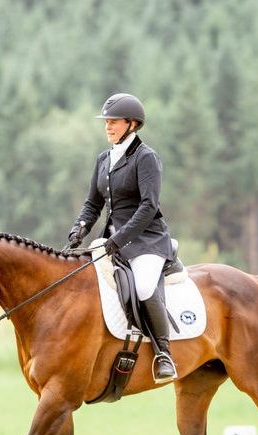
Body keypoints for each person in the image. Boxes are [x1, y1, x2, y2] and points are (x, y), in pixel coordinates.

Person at [67, 93, 177, 383]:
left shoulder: (146, 158)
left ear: (132, 124)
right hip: (113, 242)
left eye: (113, 122)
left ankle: (163, 353)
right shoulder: (104, 159)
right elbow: (93, 204)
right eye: (106, 122)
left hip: (147, 242)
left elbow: (148, 206)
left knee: (142, 287)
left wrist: (120, 240)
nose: (108, 126)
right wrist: (80, 227)